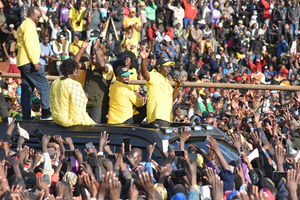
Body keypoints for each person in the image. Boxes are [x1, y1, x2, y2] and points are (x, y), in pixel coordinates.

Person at [16, 6, 51, 120]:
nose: (38, 20)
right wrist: (35, 62)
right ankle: (46, 113)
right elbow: (30, 45)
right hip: (29, 62)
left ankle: (26, 116)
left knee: (27, 88)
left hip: (23, 61)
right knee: (44, 85)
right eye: (37, 17)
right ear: (31, 14)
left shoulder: (24, 25)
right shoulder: (29, 26)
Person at [50, 59, 96, 127]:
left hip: (56, 118)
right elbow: (78, 106)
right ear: (69, 73)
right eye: (76, 72)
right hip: (68, 120)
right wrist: (85, 97)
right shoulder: (74, 84)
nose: (78, 74)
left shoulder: (55, 82)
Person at [140, 50, 179, 127]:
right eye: (166, 66)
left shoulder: (167, 81)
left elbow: (172, 99)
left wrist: (177, 87)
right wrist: (143, 60)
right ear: (158, 68)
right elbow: (145, 74)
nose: (168, 69)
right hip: (157, 117)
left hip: (167, 118)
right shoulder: (154, 75)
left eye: (169, 67)